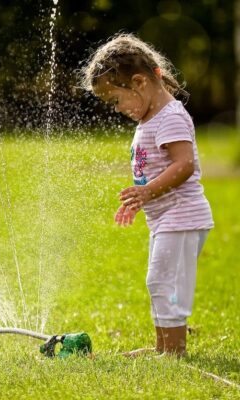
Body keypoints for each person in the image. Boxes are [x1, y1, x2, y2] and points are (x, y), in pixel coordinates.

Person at [80, 33, 213, 357]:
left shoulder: (170, 117)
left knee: (166, 283)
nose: (118, 109)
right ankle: (162, 347)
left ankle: (174, 350)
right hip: (168, 218)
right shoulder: (150, 118)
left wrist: (147, 192)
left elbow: (184, 164)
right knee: (159, 282)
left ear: (139, 82)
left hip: (183, 217)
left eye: (116, 100)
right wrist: (142, 200)